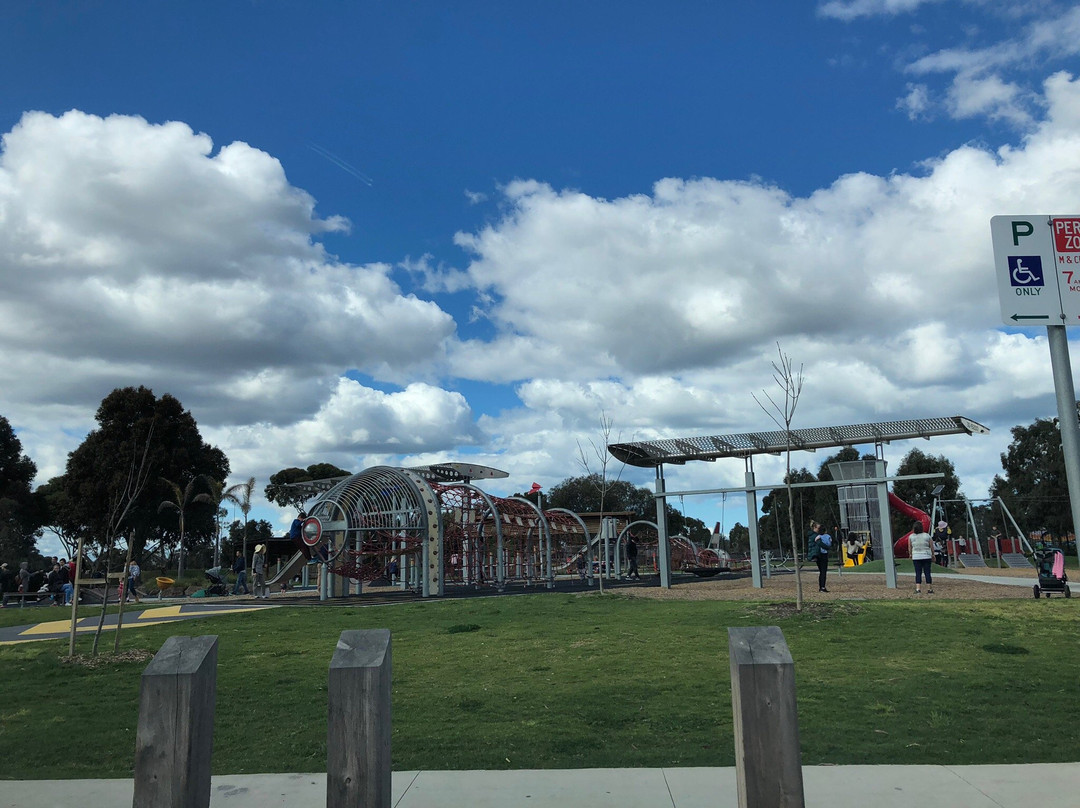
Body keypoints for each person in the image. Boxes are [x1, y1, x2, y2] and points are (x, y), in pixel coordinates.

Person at [909, 520, 934, 595]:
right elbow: (931, 546)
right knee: (927, 572)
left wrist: (910, 554)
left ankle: (918, 589)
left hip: (916, 556)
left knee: (918, 573)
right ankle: (929, 589)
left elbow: (910, 547)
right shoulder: (927, 535)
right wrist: (933, 554)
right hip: (926, 555)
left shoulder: (911, 536)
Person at [813, 523, 832, 593]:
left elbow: (815, 542)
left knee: (821, 571)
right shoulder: (828, 536)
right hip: (824, 554)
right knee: (823, 571)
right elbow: (830, 544)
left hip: (818, 554)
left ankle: (821, 586)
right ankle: (822, 587)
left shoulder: (818, 537)